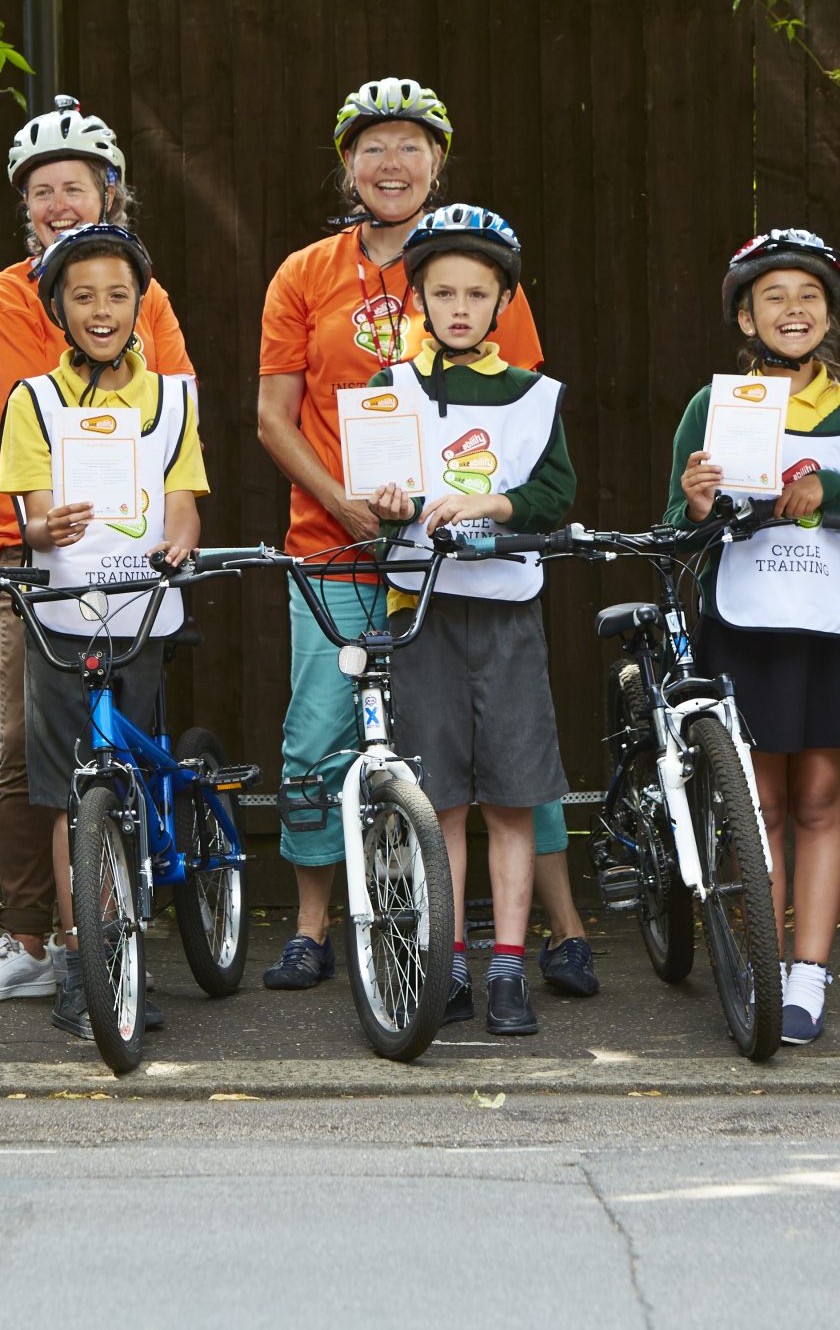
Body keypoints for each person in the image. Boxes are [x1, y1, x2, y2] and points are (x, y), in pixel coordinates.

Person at [254, 79, 592, 996]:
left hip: (464, 558)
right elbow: (274, 417)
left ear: (438, 162)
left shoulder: (480, 263)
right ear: (347, 164)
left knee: (508, 744)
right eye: (372, 147)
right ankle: (315, 926)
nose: (391, 164)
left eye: (410, 146)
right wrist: (345, 498)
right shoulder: (304, 273)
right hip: (334, 542)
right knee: (320, 735)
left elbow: (518, 425)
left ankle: (559, 927)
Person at [0, 96, 194, 1007]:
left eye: (74, 187)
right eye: (41, 190)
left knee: (122, 739)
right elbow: (29, 415)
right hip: (33, 547)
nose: (57, 202)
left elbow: (175, 407)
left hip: (134, 548)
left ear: (111, 193)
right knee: (28, 746)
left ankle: (113, 928)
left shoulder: (150, 294)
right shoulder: (9, 296)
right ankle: (27, 934)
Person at [667, 229, 840, 1045]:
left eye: (809, 294)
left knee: (819, 800)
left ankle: (811, 971)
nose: (792, 309)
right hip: (748, 622)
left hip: (829, 623)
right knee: (758, 803)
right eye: (773, 295)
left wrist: (825, 490)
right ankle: (764, 967)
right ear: (744, 314)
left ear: (830, 311)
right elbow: (673, 530)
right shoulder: (714, 405)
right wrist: (696, 506)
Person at [0, 223, 208, 1038]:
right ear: (57, 308)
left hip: (142, 611)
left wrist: (180, 536)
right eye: (82, 295)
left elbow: (183, 497)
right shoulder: (34, 400)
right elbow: (30, 519)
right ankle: (88, 959)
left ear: (140, 304)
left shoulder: (174, 396)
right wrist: (52, 527)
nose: (102, 309)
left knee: (131, 778)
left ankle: (131, 944)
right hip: (62, 616)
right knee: (69, 790)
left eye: (119, 293)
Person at [366, 206, 575, 1036]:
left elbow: (556, 494)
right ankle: (446, 959)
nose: (459, 307)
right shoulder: (390, 390)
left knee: (515, 798)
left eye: (476, 294)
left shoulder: (534, 394)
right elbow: (380, 503)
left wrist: (495, 498)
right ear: (418, 298)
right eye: (443, 291)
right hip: (420, 608)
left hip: (507, 611)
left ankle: (509, 968)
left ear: (501, 303)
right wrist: (386, 504)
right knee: (440, 798)